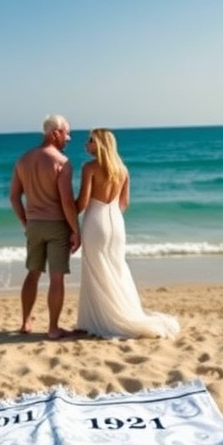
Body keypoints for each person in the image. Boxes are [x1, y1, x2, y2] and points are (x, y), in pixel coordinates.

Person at [75, 128, 180, 340]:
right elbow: (124, 203)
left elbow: (82, 203)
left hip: (96, 222)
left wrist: (64, 212)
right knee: (117, 268)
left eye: (91, 141)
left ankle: (100, 320)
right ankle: (121, 313)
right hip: (117, 223)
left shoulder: (89, 168)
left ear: (101, 144)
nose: (86, 144)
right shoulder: (122, 169)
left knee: (96, 270)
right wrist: (111, 216)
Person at [9, 114, 80, 340]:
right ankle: (53, 328)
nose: (68, 138)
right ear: (55, 133)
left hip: (34, 225)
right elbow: (67, 203)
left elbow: (13, 197)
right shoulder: (61, 162)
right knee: (57, 278)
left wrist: (25, 222)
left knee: (33, 273)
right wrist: (76, 230)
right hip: (57, 225)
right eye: (67, 133)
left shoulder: (23, 159)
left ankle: (25, 322)